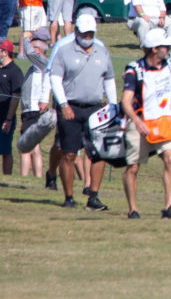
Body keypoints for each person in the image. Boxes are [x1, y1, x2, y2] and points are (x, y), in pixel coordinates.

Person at [121, 28, 171, 219]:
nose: (169, 48)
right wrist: (137, 121)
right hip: (141, 122)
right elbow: (126, 101)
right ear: (154, 49)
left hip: (164, 120)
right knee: (133, 167)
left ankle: (169, 207)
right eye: (166, 46)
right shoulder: (135, 70)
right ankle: (133, 209)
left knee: (169, 158)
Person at [45, 13, 117, 210]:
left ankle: (93, 196)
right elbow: (55, 79)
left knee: (98, 154)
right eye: (84, 33)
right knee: (68, 154)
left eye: (91, 33)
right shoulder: (64, 51)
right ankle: (69, 197)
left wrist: (114, 106)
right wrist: (63, 104)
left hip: (96, 108)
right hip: (71, 107)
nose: (88, 37)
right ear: (76, 31)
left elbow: (109, 79)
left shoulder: (102, 51)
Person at [18, 28, 50, 177]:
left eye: (33, 45)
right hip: (29, 111)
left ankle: (26, 176)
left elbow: (29, 53)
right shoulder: (36, 66)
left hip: (33, 110)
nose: (32, 49)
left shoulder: (41, 63)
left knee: (26, 146)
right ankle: (37, 176)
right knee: (34, 146)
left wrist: (25, 38)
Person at [0, 39, 24, 175]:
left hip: (5, 117)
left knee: (5, 150)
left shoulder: (15, 71)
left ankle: (7, 177)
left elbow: (16, 97)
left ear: (5, 52)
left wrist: (9, 119)